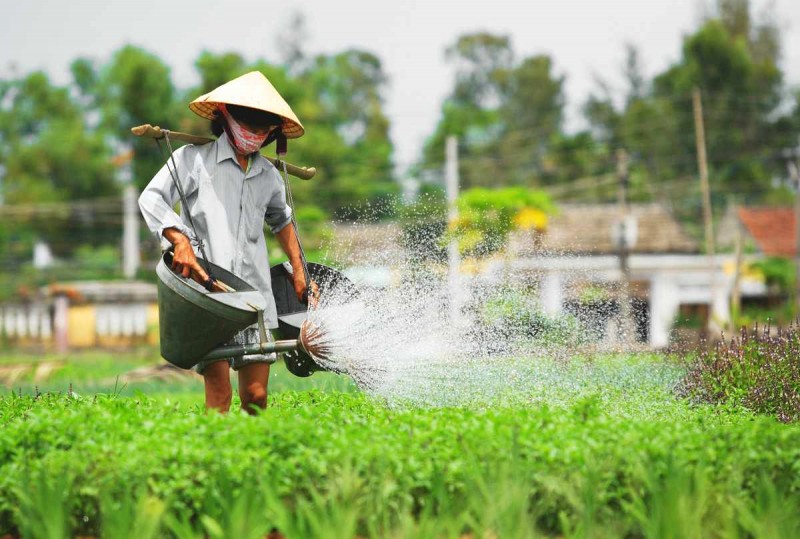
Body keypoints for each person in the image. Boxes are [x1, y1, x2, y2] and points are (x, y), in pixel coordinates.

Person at [139, 71, 314, 414]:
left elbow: (282, 219)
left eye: (263, 128)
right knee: (218, 397)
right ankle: (215, 457)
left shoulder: (268, 176)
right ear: (225, 116)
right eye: (248, 123)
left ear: (272, 133)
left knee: (256, 398)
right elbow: (152, 198)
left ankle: (253, 459)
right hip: (209, 296)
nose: (254, 134)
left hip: (254, 299)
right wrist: (179, 240)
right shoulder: (193, 161)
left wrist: (299, 269)